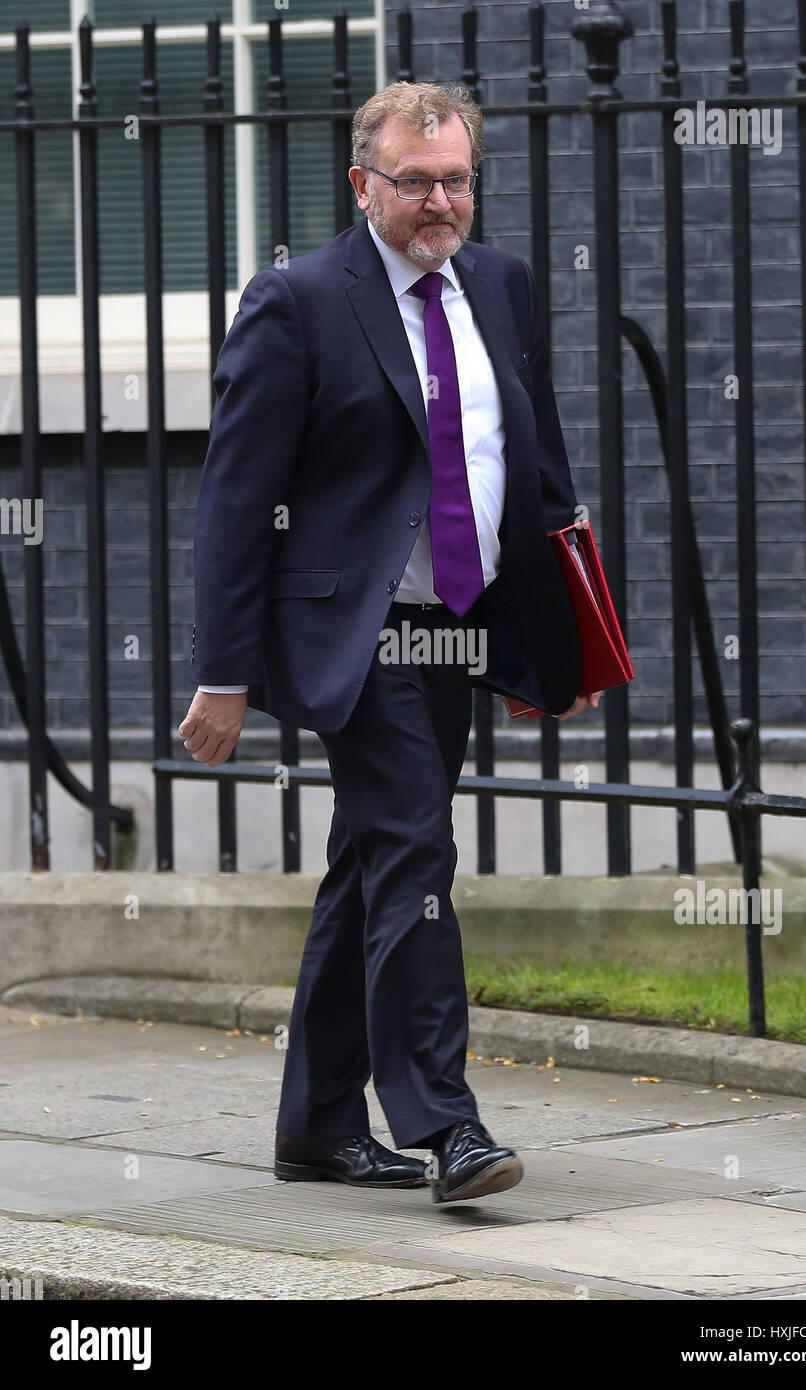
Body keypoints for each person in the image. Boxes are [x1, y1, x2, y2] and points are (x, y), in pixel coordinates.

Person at [180, 81, 600, 1205]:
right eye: (414, 181)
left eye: (455, 178)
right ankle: (445, 1123)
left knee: (368, 863)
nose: (438, 201)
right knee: (415, 852)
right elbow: (236, 499)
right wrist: (222, 672)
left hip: (457, 629)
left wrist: (550, 648)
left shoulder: (499, 288)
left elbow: (538, 473)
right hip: (353, 635)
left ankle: (317, 1126)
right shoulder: (300, 300)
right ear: (363, 183)